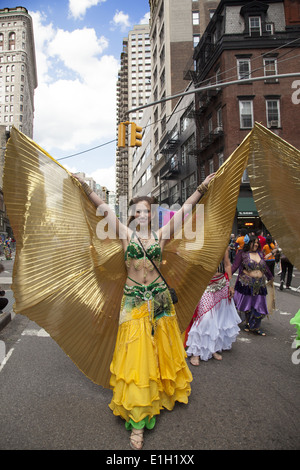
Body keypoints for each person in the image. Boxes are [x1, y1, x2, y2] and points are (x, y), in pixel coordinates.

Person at [74, 172, 215, 450]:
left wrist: (202, 188)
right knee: (137, 358)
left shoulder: (161, 235)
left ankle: (159, 394)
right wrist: (83, 188)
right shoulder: (125, 235)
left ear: (151, 215)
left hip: (160, 300)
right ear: (133, 215)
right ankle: (137, 425)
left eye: (145, 211)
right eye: (137, 211)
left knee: (161, 352)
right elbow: (102, 209)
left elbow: (185, 212)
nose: (141, 215)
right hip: (134, 301)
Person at [185, 247, 240, 365]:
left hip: (222, 284)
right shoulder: (200, 245)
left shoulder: (224, 245)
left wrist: (230, 285)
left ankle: (213, 348)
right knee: (204, 319)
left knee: (219, 319)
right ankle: (196, 352)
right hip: (205, 286)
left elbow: (227, 265)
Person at [232, 234, 273, 336]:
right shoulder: (242, 253)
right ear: (248, 243)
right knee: (248, 305)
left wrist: (270, 277)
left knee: (259, 304)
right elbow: (235, 266)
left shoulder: (260, 253)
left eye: (256, 242)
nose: (255, 244)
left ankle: (256, 326)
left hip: (260, 284)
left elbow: (265, 267)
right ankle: (247, 323)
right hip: (246, 284)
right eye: (253, 242)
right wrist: (225, 276)